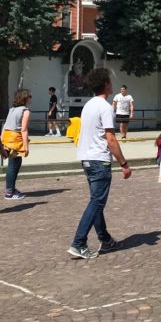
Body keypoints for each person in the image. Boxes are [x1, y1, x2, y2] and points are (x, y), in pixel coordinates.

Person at [68, 69, 131, 259]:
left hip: (87, 158)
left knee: (96, 202)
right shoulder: (104, 107)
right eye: (110, 81)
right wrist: (124, 163)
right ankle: (78, 242)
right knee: (96, 202)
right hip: (99, 160)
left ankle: (105, 239)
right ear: (105, 84)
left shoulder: (88, 105)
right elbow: (111, 138)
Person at [0, 89, 32, 200]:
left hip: (7, 137)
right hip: (15, 139)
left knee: (14, 163)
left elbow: (5, 125)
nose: (31, 98)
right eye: (30, 96)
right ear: (25, 98)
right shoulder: (25, 111)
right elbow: (24, 130)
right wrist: (26, 147)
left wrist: (2, 139)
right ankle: (9, 191)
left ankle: (11, 188)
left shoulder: (12, 109)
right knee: (13, 165)